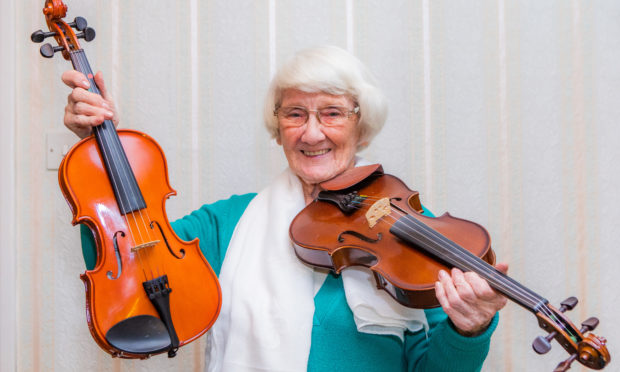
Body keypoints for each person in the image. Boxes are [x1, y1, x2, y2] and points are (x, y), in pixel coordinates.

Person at [61, 45, 508, 371]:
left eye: (332, 113)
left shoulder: (413, 229)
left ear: (362, 127)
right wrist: (102, 151)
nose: (312, 134)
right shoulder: (228, 223)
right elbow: (126, 267)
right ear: (277, 129)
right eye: (295, 114)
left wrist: (468, 331)